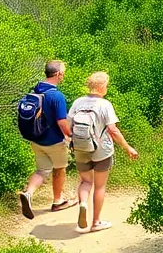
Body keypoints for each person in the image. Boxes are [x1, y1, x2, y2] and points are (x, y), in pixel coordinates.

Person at [67, 71, 138, 233]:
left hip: (81, 149)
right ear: (101, 87)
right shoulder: (105, 104)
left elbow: (68, 124)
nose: (107, 88)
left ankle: (83, 204)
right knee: (100, 187)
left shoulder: (78, 102)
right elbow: (113, 130)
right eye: (106, 85)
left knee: (85, 182)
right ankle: (96, 222)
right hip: (102, 151)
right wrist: (128, 148)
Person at [18, 60, 75, 220]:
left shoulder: (35, 89)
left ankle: (28, 193)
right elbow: (62, 122)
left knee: (41, 171)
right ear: (58, 74)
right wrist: (70, 136)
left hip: (36, 139)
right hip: (54, 142)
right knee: (60, 169)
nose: (63, 76)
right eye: (62, 73)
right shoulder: (56, 96)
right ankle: (58, 201)